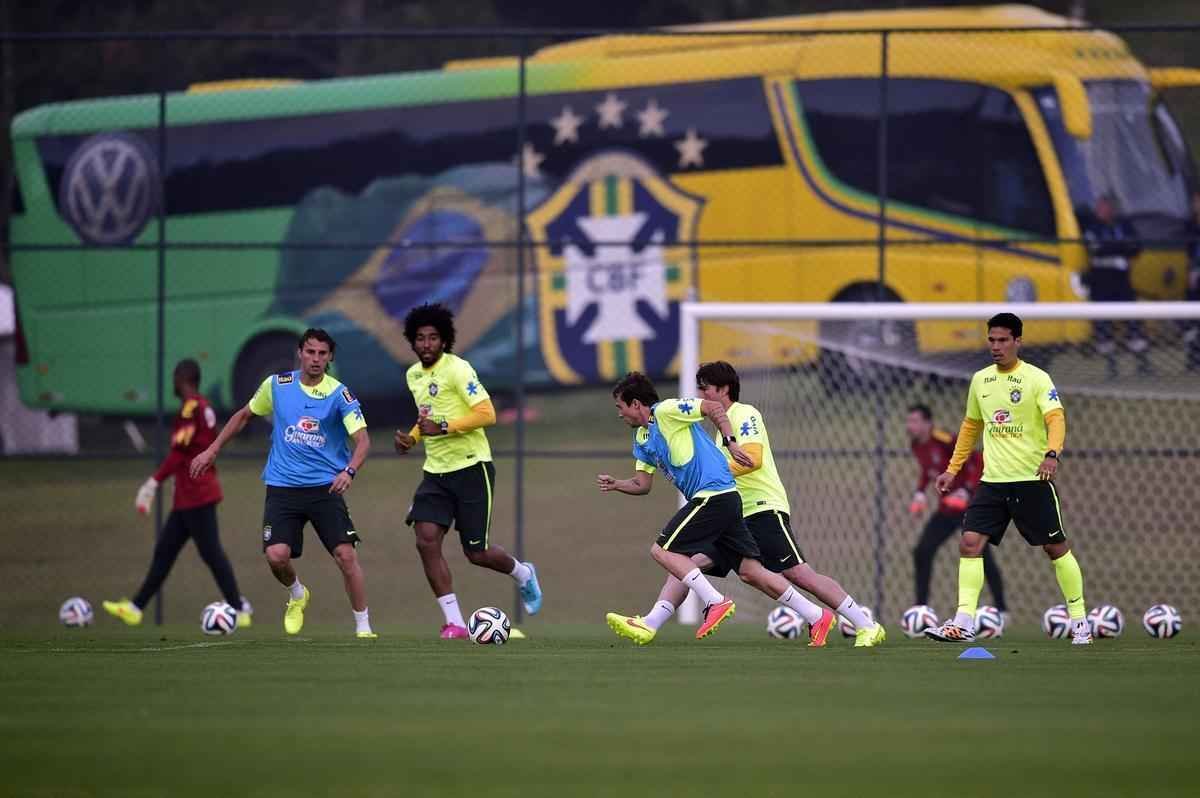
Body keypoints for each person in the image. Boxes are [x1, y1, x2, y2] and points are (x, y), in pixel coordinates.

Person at [605, 361, 884, 647]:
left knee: (798, 572)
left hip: (760, 506)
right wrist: (618, 484)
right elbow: (645, 480)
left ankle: (866, 624)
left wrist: (720, 461)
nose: (700, 394)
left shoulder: (743, 413)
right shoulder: (681, 433)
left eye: (705, 388)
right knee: (695, 564)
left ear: (724, 389)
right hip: (732, 509)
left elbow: (753, 458)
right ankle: (650, 623)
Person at [190, 329, 376, 638]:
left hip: (324, 488)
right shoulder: (277, 385)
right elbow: (243, 416)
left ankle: (363, 627)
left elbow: (363, 441)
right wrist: (212, 450)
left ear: (330, 357)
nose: (315, 359)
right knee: (276, 556)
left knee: (346, 555)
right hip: (283, 487)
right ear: (300, 352)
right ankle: (297, 594)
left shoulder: (339, 394)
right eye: (310, 352)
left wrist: (349, 471)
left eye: (322, 354)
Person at [926, 313, 1091, 645]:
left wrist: (1051, 454)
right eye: (991, 340)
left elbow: (1056, 420)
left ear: (1018, 341)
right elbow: (971, 427)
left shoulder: (1037, 379)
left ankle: (1080, 622)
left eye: (1003, 340)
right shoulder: (980, 381)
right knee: (969, 543)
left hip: (1031, 480)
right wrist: (952, 470)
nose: (996, 347)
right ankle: (963, 622)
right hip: (992, 482)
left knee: (1055, 548)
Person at [393, 303, 542, 640]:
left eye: (434, 337)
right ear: (412, 343)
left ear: (444, 340)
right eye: (420, 338)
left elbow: (487, 413)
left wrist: (443, 426)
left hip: (472, 468)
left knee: (476, 553)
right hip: (435, 473)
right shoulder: (413, 375)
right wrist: (412, 439)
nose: (427, 344)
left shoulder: (459, 370)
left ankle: (522, 573)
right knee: (426, 540)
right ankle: (455, 623)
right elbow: (425, 417)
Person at [103, 359, 251, 627]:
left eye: (175, 378)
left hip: (196, 494)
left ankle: (239, 609)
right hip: (191, 494)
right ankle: (136, 607)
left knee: (210, 553)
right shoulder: (204, 407)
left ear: (182, 379)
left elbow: (178, 454)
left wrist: (152, 483)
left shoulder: (191, 409)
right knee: (165, 552)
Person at [906, 403, 1007, 617]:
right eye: (909, 421)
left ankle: (1002, 609)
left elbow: (976, 459)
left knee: (981, 555)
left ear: (928, 423)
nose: (910, 425)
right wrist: (920, 492)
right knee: (922, 551)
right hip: (946, 510)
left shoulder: (944, 439)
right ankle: (920, 610)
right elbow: (928, 470)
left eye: (915, 421)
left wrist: (967, 491)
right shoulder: (916, 445)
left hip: (968, 509)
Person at [1081, 195, 1151, 377]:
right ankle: (1111, 367)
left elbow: (1136, 248)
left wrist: (1115, 247)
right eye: (1100, 207)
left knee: (1133, 320)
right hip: (1101, 282)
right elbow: (1095, 248)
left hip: (1122, 281)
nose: (1102, 210)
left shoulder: (1124, 225)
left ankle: (1143, 363)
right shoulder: (1091, 227)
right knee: (1104, 324)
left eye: (1106, 207)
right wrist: (1120, 247)